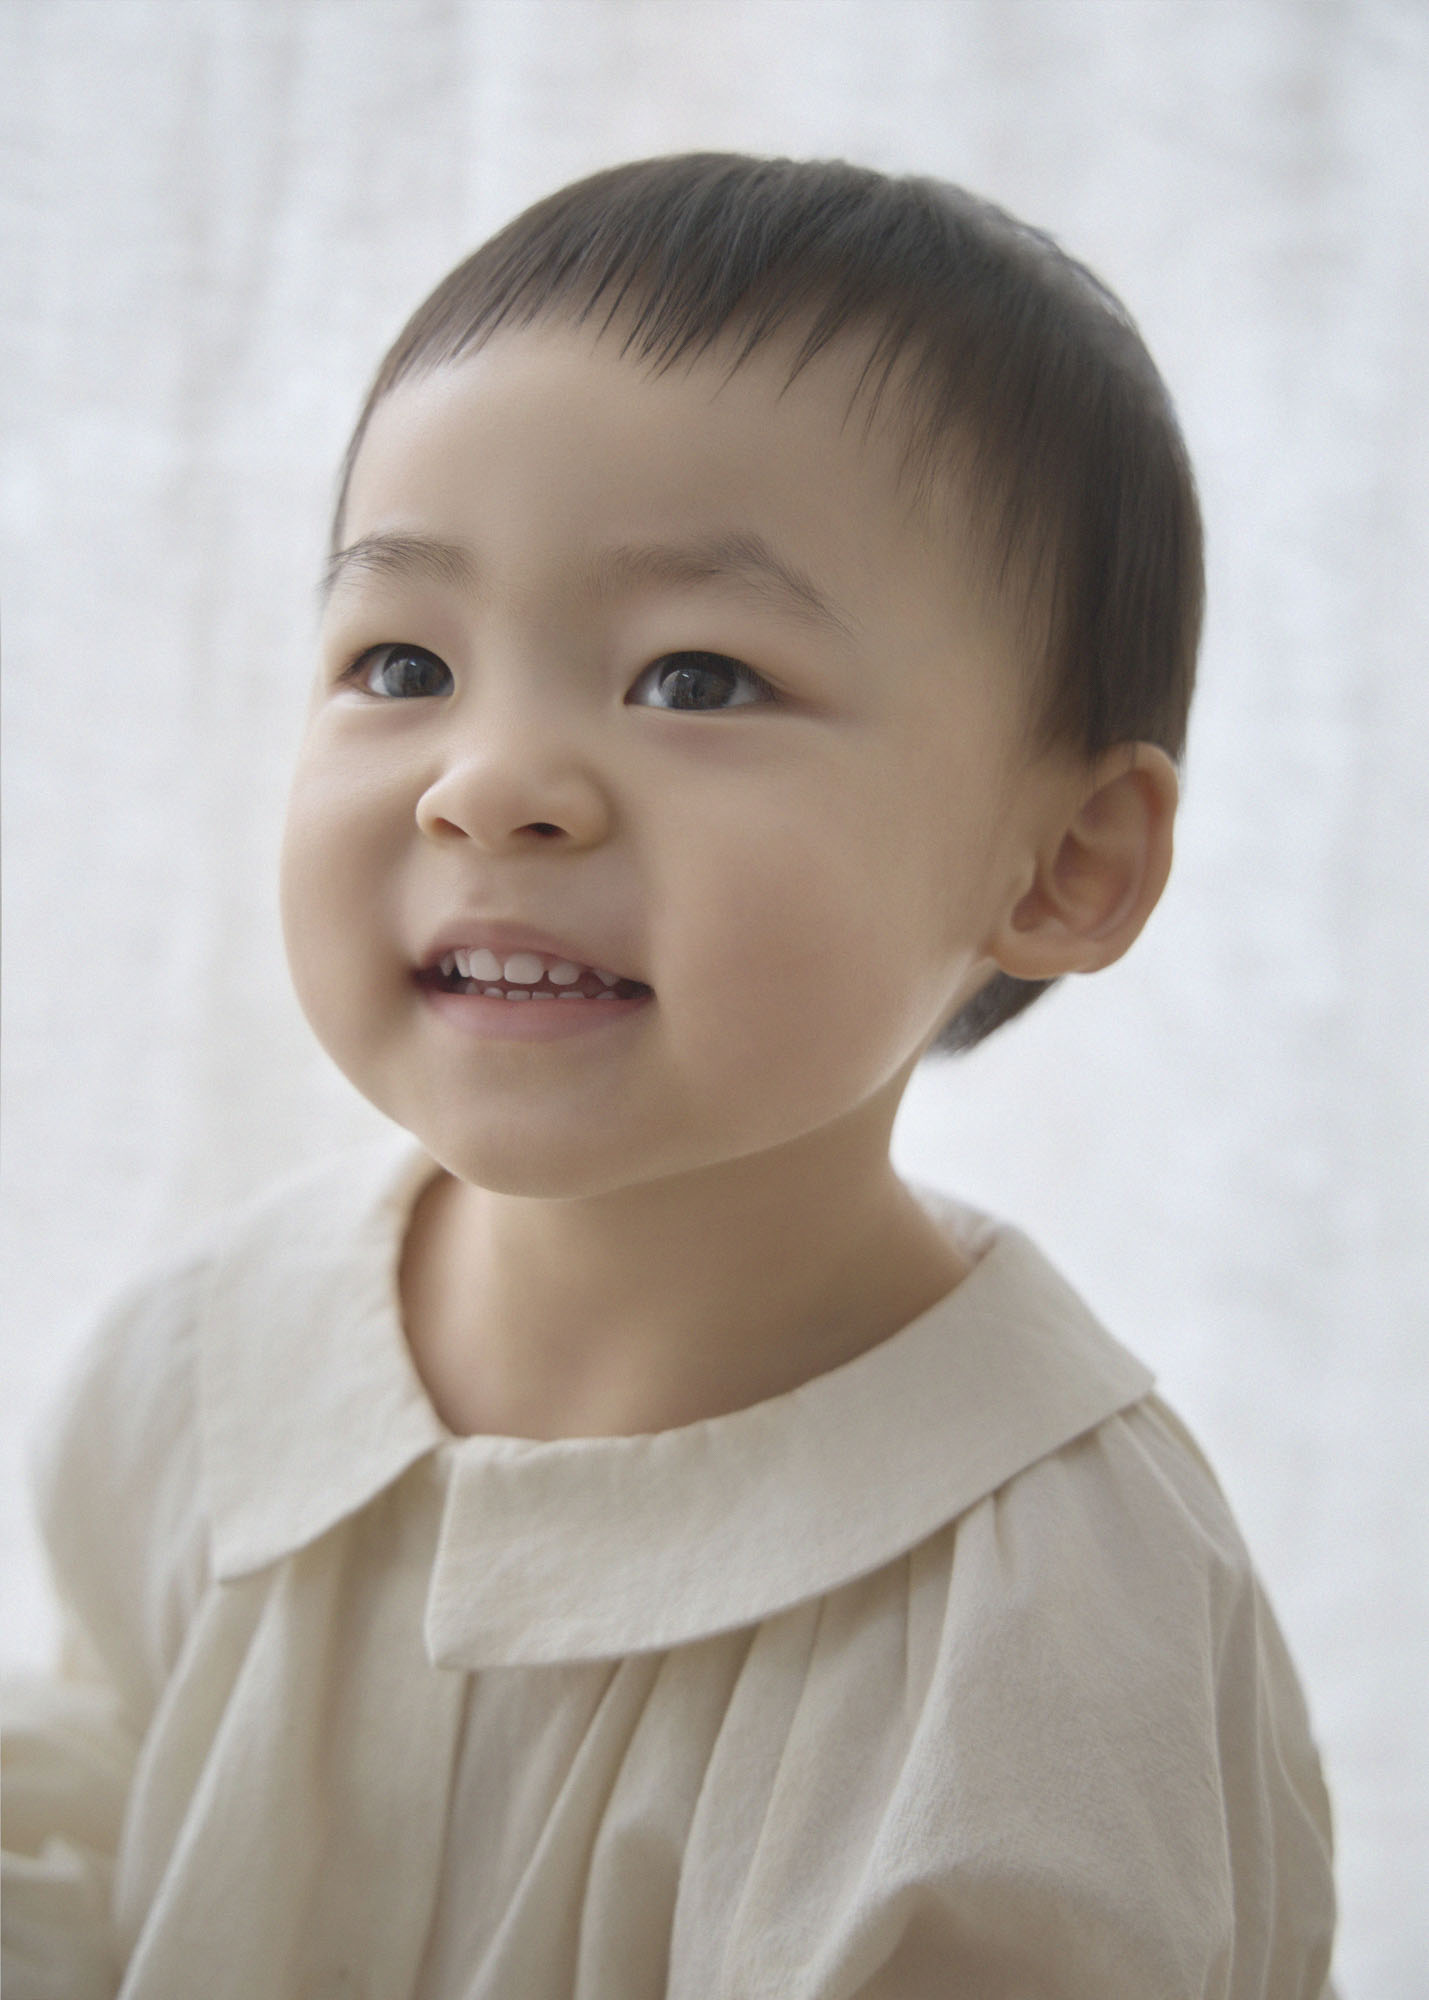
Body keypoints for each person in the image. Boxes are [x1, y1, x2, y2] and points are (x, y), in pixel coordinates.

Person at [2, 153, 1335, 1998]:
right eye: (404, 659)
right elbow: (100, 1832)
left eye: (694, 679)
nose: (489, 783)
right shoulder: (203, 1372)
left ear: (1062, 862)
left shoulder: (1049, 1633)